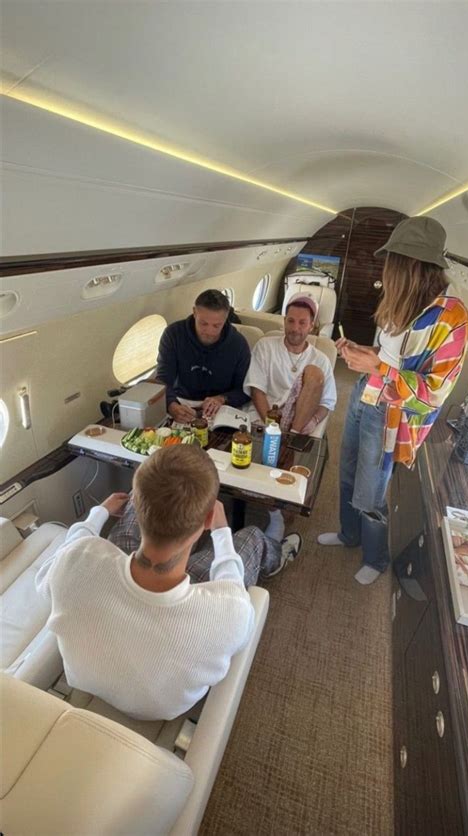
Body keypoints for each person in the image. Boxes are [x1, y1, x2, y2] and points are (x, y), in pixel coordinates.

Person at [36, 445, 301, 721]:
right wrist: (222, 533)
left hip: (91, 675)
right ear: (209, 518)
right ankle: (277, 554)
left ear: (134, 502)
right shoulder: (228, 611)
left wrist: (98, 512)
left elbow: (71, 548)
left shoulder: (76, 558)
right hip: (161, 711)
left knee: (127, 528)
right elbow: (231, 586)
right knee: (252, 539)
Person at [318, 216, 468, 585]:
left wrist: (379, 368)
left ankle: (376, 557)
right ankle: (349, 534)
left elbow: (434, 393)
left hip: (392, 413)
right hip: (363, 394)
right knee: (349, 470)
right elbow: (386, 354)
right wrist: (362, 352)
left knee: (372, 491)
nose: (385, 270)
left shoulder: (453, 317)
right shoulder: (398, 302)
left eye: (391, 262)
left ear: (412, 266)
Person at [243, 294, 337, 433]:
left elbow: (327, 402)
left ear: (311, 326)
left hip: (299, 420)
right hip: (264, 415)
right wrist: (272, 427)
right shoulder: (265, 346)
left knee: (313, 373)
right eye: (291, 321)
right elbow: (257, 390)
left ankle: (292, 436)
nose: (295, 328)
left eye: (302, 323)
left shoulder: (321, 360)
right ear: (284, 321)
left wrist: (314, 421)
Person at [156, 288, 250, 423]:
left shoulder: (238, 344)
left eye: (217, 325)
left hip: (219, 407)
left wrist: (222, 399)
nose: (209, 332)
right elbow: (163, 379)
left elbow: (244, 389)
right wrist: (171, 405)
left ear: (226, 318)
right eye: (203, 323)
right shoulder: (173, 334)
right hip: (180, 401)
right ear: (194, 312)